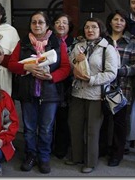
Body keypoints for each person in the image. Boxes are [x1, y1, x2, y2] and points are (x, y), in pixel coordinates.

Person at [8, 11, 70, 174]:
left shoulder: (57, 43)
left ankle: (44, 157)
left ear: (47, 25)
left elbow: (65, 68)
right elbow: (12, 64)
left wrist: (52, 76)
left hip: (50, 92)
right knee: (29, 128)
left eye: (40, 22)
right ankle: (31, 156)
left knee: (46, 128)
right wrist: (25, 67)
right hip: (27, 92)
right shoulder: (23, 43)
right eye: (34, 22)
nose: (37, 25)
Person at [65, 18, 119, 173]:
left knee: (92, 129)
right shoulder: (78, 46)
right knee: (74, 125)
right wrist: (76, 60)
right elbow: (69, 64)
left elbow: (111, 73)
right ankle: (76, 157)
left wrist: (92, 79)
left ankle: (90, 162)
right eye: (87, 27)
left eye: (94, 27)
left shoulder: (106, 48)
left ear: (100, 29)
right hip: (77, 93)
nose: (90, 30)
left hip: (96, 94)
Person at [101, 10, 135, 167]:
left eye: (122, 20)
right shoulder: (103, 40)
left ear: (125, 24)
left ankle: (117, 154)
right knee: (103, 120)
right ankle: (102, 149)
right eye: (115, 19)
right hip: (103, 87)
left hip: (122, 88)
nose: (118, 22)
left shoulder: (133, 41)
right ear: (110, 22)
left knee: (119, 123)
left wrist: (117, 71)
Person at [51, 13, 75, 160]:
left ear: (69, 26)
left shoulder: (76, 42)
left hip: (69, 84)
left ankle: (61, 147)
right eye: (58, 22)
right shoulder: (48, 41)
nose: (61, 25)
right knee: (49, 117)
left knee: (64, 117)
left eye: (64, 23)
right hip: (52, 80)